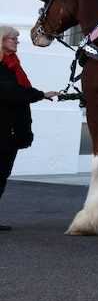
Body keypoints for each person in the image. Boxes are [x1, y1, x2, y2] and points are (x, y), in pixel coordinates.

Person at [0, 26, 59, 230]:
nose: (17, 41)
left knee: (2, 173)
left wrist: (40, 94)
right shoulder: (3, 67)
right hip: (3, 129)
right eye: (12, 39)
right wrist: (41, 94)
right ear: (1, 42)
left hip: (10, 128)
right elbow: (11, 92)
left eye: (16, 38)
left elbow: (20, 90)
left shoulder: (12, 64)